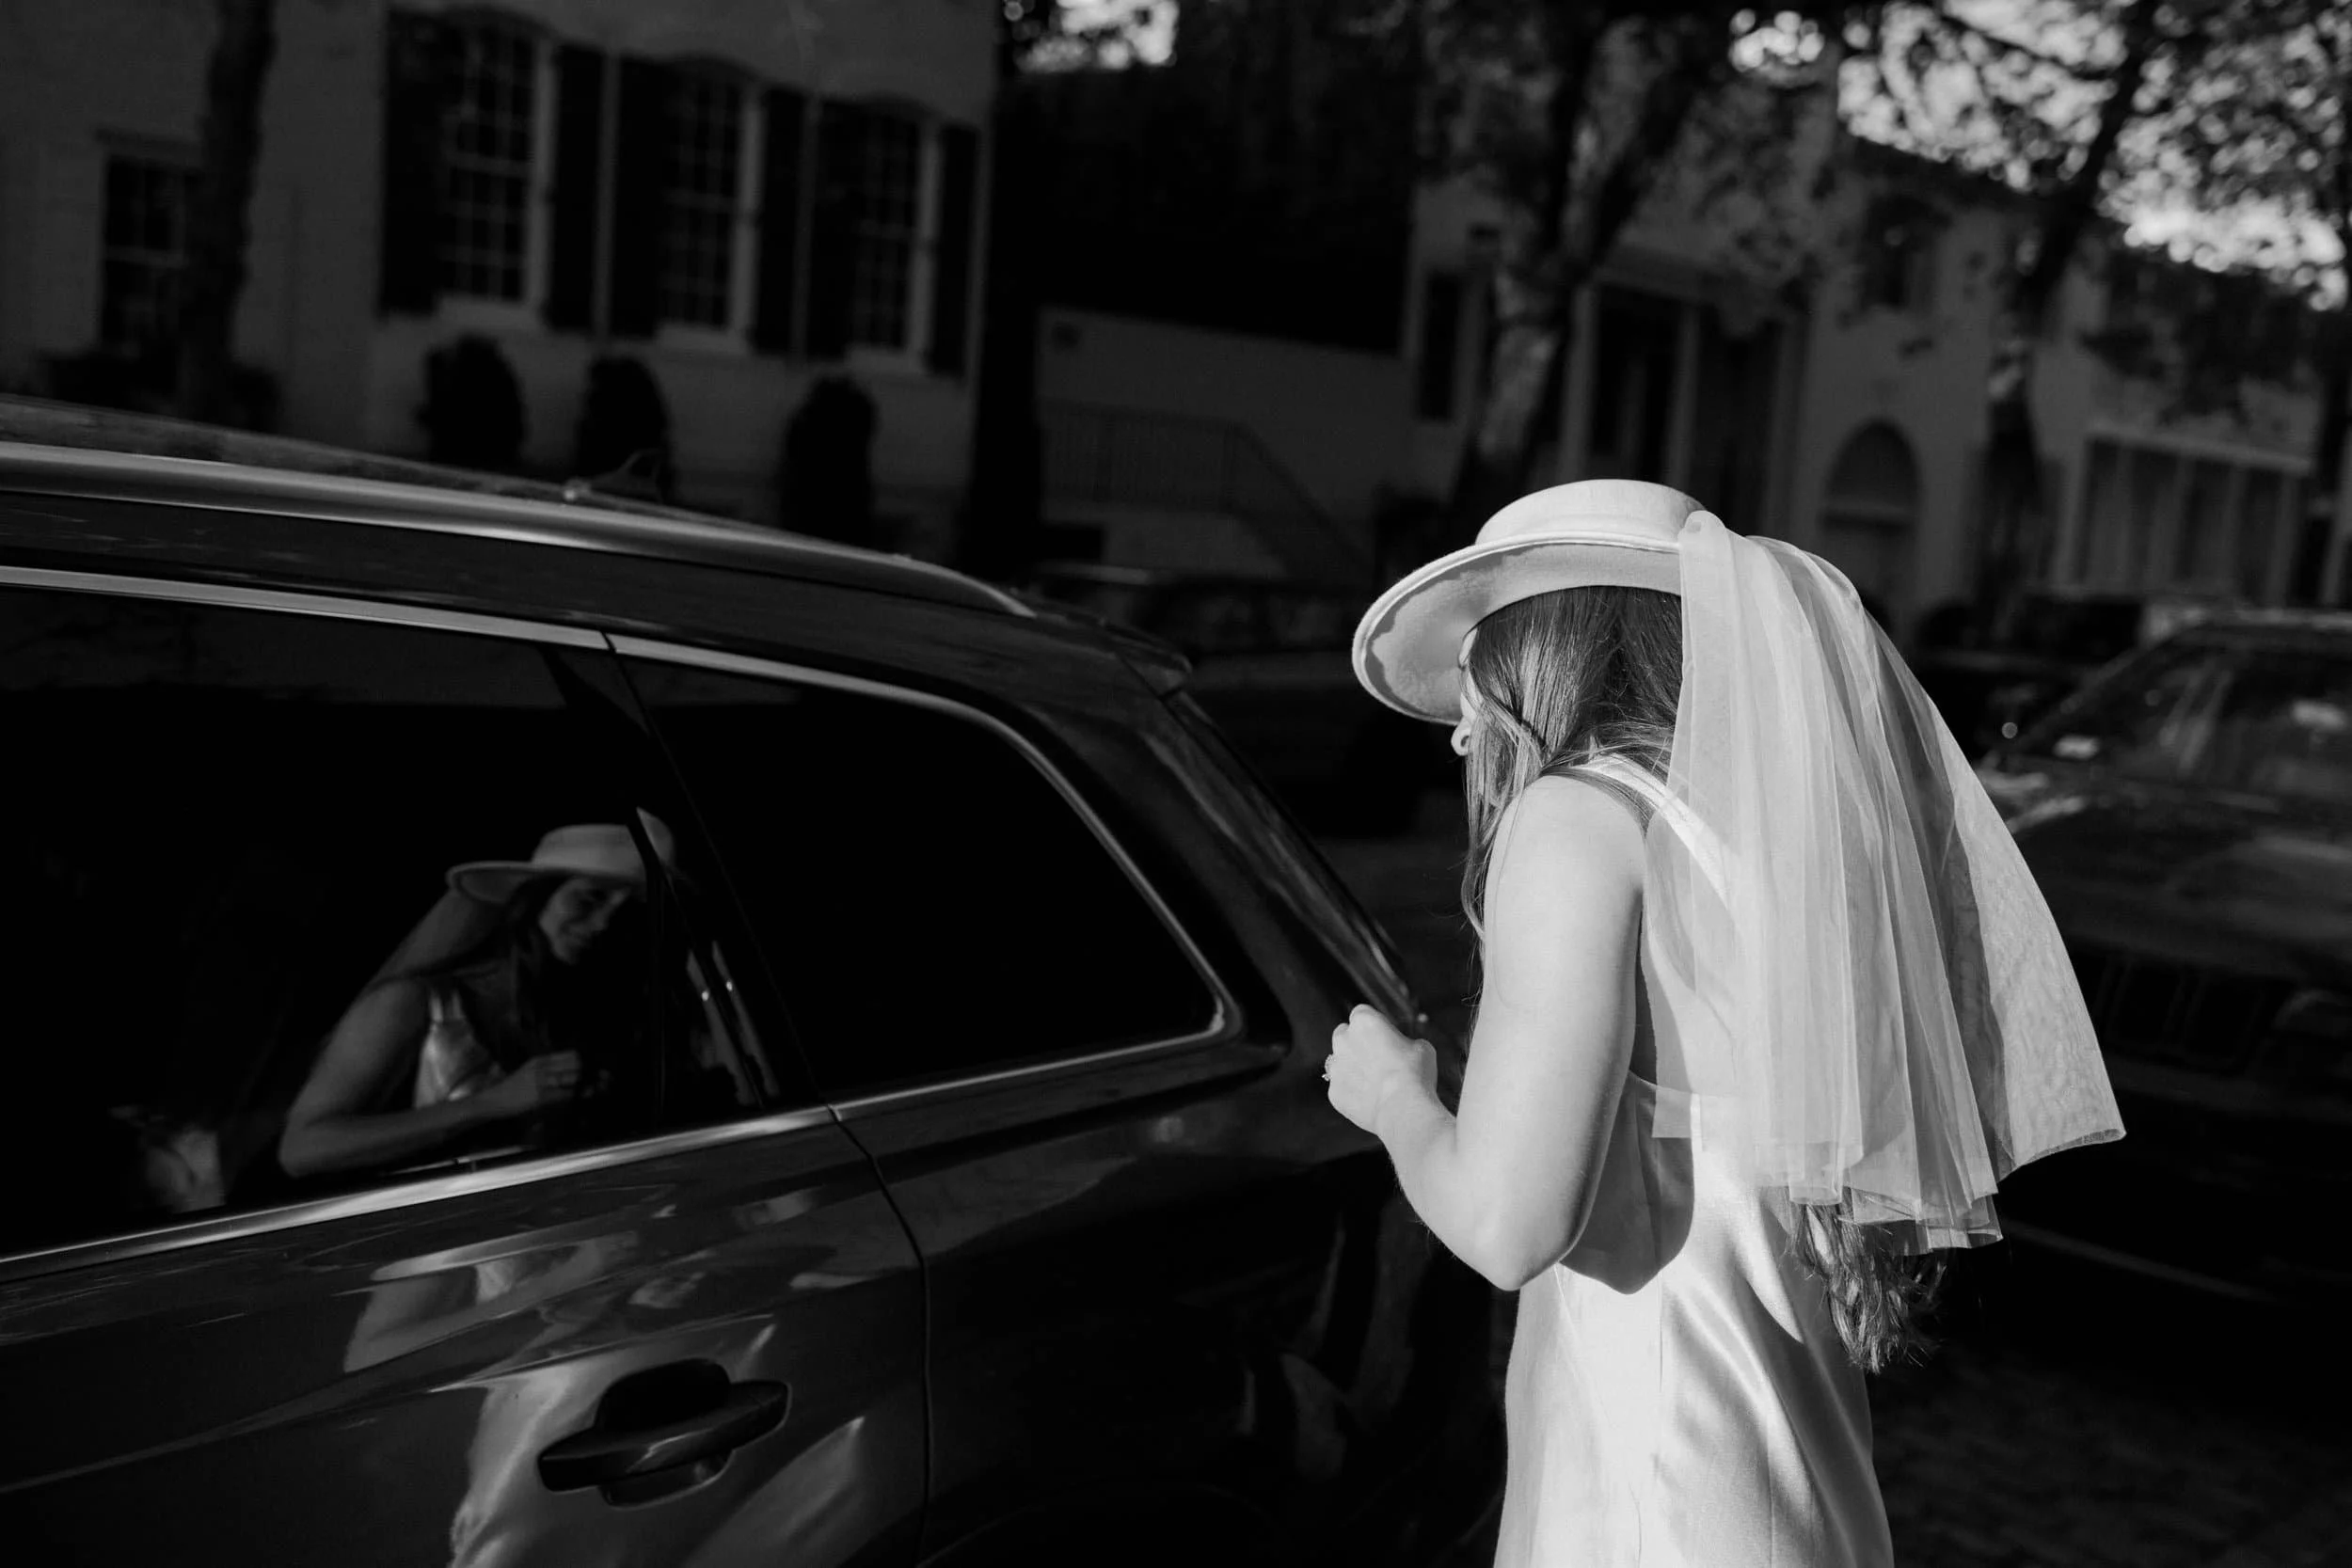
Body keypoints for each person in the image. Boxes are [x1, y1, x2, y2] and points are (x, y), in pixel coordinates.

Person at [1326, 480, 2123, 1567]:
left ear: (1541, 655)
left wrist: (1394, 1095)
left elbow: (1507, 1225)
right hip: (1807, 1495)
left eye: (1475, 669)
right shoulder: (1784, 857)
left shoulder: (1576, 820)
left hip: (1655, 1498)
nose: (1464, 730)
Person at [278, 817, 674, 1181]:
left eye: (626, 914)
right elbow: (303, 1149)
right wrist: (490, 1103)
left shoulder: (590, 1016)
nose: (603, 925)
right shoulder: (410, 1004)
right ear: (535, 898)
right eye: (589, 899)